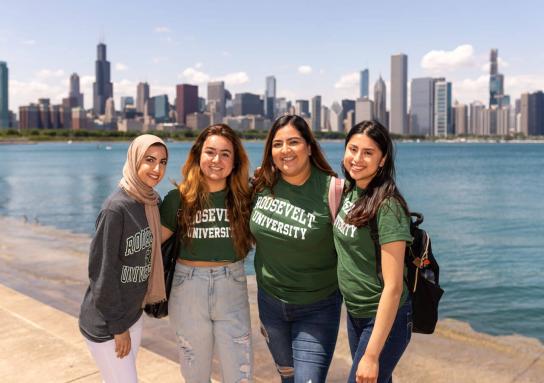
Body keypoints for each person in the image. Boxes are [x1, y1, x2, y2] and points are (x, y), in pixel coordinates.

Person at [250, 114, 342, 383]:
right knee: (287, 378)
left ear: (309, 147)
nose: (285, 150)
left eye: (293, 142)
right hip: (270, 304)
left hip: (317, 308)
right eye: (277, 144)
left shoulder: (333, 190)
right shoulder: (261, 185)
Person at [160, 124, 253, 383]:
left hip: (231, 286)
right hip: (187, 288)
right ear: (198, 155)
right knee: (195, 375)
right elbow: (149, 245)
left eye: (225, 154)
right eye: (210, 152)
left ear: (235, 162)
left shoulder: (245, 198)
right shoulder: (177, 199)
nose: (216, 160)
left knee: (240, 373)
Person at [79, 134, 169, 382]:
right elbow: (101, 274)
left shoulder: (151, 202)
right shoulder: (115, 208)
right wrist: (118, 328)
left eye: (162, 162)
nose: (157, 168)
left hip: (133, 314)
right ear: (134, 160)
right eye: (149, 160)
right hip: (106, 322)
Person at [333, 120, 413, 383]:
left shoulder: (388, 207)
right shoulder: (350, 192)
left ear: (382, 160)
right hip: (356, 313)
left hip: (383, 319)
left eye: (368, 153)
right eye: (352, 149)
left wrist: (371, 355)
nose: (357, 158)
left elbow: (393, 287)